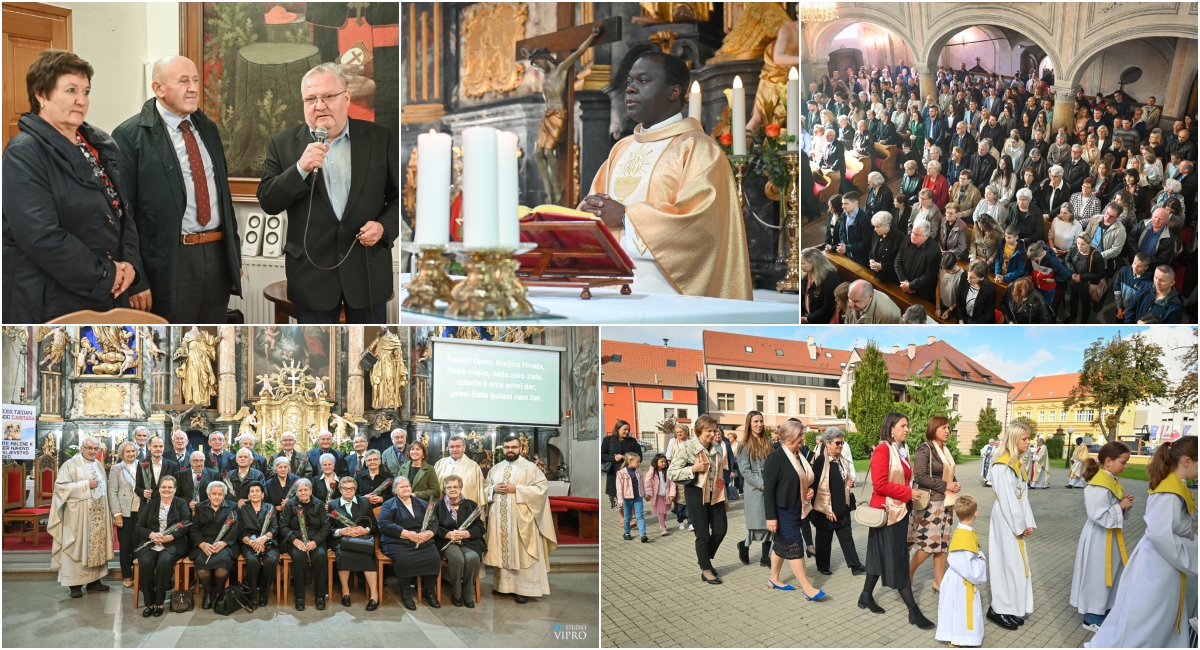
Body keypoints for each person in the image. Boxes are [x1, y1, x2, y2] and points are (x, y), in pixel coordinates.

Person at [578, 51, 752, 299]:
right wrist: (587, 214)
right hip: (606, 286)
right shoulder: (622, 148)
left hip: (663, 291)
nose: (630, 89)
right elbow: (594, 204)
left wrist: (627, 218)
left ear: (674, 92)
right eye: (629, 82)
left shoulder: (698, 148)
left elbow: (702, 227)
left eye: (644, 81)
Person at [3, 49, 141, 322]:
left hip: (107, 292)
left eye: (86, 91)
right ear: (41, 94)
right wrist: (107, 273)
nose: (81, 100)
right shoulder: (24, 151)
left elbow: (121, 211)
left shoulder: (98, 145)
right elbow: (41, 236)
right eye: (70, 90)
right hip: (51, 300)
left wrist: (128, 265)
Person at [257, 63, 397, 323]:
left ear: (346, 97)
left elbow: (402, 199)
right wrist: (300, 168)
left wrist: (384, 228)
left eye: (328, 96)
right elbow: (268, 201)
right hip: (311, 278)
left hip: (367, 272)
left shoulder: (380, 138)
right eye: (311, 99)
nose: (319, 105)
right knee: (316, 358)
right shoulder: (282, 144)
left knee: (369, 354)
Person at [112, 55, 241, 321]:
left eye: (195, 80)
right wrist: (137, 278)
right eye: (183, 81)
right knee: (171, 345)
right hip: (170, 261)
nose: (193, 87)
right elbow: (124, 215)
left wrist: (233, 256)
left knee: (209, 341)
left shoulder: (208, 128)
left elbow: (223, 198)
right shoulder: (130, 135)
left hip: (216, 254)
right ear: (158, 88)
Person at [1087, 436, 1196, 648]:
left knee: (1161, 612)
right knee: (1148, 614)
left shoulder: (1176, 486)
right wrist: (1193, 551)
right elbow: (1160, 533)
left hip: (1164, 559)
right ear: (1187, 461)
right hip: (1160, 561)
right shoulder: (1169, 490)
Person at [859, 412, 935, 629]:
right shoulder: (883, 450)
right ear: (891, 427)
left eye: (907, 426)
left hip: (899, 511)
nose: (907, 429)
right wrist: (908, 493)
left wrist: (910, 494)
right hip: (887, 513)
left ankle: (865, 595)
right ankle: (913, 610)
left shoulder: (902, 450)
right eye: (903, 425)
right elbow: (880, 484)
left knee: (878, 555)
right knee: (899, 560)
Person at [484, 434, 557, 603]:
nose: (510, 450)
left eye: (514, 447)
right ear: (503, 449)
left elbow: (542, 489)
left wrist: (516, 489)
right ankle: (504, 586)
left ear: (520, 448)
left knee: (523, 553)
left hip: (522, 519)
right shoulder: (496, 469)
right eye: (507, 447)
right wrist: (493, 489)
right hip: (500, 519)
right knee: (503, 551)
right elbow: (485, 487)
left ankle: (525, 590)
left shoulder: (530, 468)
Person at [1070, 441, 1134, 633]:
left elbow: (1111, 508)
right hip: (1098, 537)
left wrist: (1123, 504)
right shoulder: (1098, 485)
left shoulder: (1111, 480)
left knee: (1111, 574)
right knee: (1097, 575)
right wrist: (1120, 507)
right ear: (1108, 461)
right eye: (1123, 462)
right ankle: (1091, 618)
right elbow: (1097, 514)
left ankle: (1104, 610)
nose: (1125, 466)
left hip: (1109, 535)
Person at [760, 419, 825, 598]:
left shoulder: (800, 454)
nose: (803, 438)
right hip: (782, 510)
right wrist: (770, 517)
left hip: (797, 508)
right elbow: (769, 489)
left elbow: (804, 480)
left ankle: (773, 578)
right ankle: (807, 587)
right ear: (788, 437)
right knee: (796, 545)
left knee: (781, 545)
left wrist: (809, 491)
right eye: (800, 435)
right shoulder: (776, 457)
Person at [48, 435, 114, 597]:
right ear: (82, 448)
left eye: (95, 448)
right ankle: (74, 585)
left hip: (98, 516)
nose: (92, 451)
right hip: (78, 516)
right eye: (89, 448)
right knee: (77, 545)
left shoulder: (98, 465)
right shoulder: (70, 465)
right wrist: (85, 485)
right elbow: (60, 489)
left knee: (96, 547)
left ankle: (94, 580)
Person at [667, 414, 727, 585]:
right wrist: (693, 469)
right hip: (695, 494)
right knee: (702, 535)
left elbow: (720, 474)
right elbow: (671, 472)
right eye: (709, 431)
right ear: (699, 431)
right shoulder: (687, 447)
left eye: (714, 430)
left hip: (716, 495)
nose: (712, 434)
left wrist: (726, 500)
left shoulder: (718, 447)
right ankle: (706, 570)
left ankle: (704, 558)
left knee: (721, 529)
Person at [986, 423, 1035, 629]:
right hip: (1005, 521)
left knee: (1015, 565)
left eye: (1028, 438)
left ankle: (1012, 607)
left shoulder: (1016, 463)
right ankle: (999, 609)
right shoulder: (1001, 466)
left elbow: (1022, 496)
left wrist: (1028, 523)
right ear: (1014, 440)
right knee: (1004, 564)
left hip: (1015, 521)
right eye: (1024, 439)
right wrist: (1019, 525)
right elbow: (1007, 500)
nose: (1028, 442)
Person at [909, 416, 962, 591]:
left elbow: (947, 472)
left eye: (948, 427)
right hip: (931, 503)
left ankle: (939, 582)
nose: (948, 431)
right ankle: (908, 572)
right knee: (929, 544)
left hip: (946, 502)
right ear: (934, 429)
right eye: (944, 428)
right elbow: (920, 477)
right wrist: (947, 485)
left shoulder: (944, 450)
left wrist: (955, 483)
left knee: (942, 545)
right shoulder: (925, 450)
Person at [935, 495, 996, 644]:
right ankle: (959, 640)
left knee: (955, 607)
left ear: (956, 514)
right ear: (976, 513)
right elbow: (967, 567)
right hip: (962, 580)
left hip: (957, 576)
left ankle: (956, 637)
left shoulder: (963, 531)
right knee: (961, 610)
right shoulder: (964, 536)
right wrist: (981, 561)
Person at [809, 427, 864, 577]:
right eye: (838, 443)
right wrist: (826, 509)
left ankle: (855, 565)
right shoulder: (822, 461)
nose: (841, 446)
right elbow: (818, 487)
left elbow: (841, 478)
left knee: (847, 537)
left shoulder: (840, 459)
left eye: (842, 443)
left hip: (841, 507)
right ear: (828, 443)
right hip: (826, 508)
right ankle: (822, 565)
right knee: (824, 540)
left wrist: (848, 483)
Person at [134, 475, 189, 617]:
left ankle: (159, 601)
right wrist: (152, 534)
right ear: (159, 489)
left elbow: (187, 524)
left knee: (164, 562)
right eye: (164, 487)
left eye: (170, 487)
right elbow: (139, 527)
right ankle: (148, 602)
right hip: (151, 543)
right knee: (145, 562)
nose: (166, 490)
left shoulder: (181, 503)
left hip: (174, 543)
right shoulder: (151, 504)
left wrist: (171, 536)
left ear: (175, 489)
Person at [328, 476, 381, 611]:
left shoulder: (364, 502)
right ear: (340, 490)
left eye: (351, 488)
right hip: (342, 540)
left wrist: (365, 530)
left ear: (355, 489)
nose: (348, 491)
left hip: (362, 540)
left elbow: (374, 526)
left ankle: (374, 595)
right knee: (342, 553)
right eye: (345, 488)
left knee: (366, 556)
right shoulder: (333, 505)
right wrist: (341, 531)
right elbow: (329, 529)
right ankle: (346, 592)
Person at [434, 474, 486, 608]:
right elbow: (433, 527)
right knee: (457, 559)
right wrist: (448, 534)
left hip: (467, 541)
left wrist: (467, 533)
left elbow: (480, 527)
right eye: (449, 487)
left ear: (461, 487)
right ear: (444, 489)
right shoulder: (438, 506)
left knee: (473, 558)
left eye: (455, 487)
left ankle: (467, 594)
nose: (452, 490)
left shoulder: (470, 505)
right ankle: (456, 594)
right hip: (447, 542)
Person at [280, 478, 331, 611]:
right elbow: (283, 526)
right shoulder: (290, 505)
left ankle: (320, 595)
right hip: (296, 540)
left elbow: (326, 526)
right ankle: (300, 596)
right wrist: (294, 540)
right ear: (296, 492)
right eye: (300, 490)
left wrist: (315, 541)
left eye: (305, 490)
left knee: (320, 557)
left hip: (316, 540)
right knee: (299, 557)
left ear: (310, 491)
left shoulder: (319, 505)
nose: (303, 493)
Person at [188, 482, 238, 609]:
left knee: (221, 566)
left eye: (220, 494)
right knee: (202, 565)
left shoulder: (233, 506)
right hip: (205, 543)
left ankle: (217, 592)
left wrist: (224, 542)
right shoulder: (200, 506)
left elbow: (236, 528)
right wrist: (202, 544)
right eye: (214, 494)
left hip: (224, 544)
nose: (217, 497)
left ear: (224, 496)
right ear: (209, 495)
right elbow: (194, 529)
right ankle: (208, 593)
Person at [735, 411, 773, 566]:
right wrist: (761, 484)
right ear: (749, 423)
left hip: (769, 485)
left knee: (770, 523)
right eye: (755, 421)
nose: (759, 424)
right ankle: (744, 545)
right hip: (754, 489)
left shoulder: (768, 442)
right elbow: (744, 471)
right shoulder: (743, 444)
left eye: (761, 421)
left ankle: (765, 557)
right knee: (756, 524)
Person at [237, 481, 279, 608]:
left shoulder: (270, 508)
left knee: (270, 562)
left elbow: (274, 528)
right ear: (248, 495)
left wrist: (263, 539)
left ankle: (264, 594)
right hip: (249, 542)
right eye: (252, 492)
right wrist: (252, 542)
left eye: (257, 491)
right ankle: (252, 595)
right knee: (253, 562)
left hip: (268, 542)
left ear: (262, 495)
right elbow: (240, 531)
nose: (255, 494)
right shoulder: (242, 509)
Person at [108, 441, 142, 589]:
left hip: (141, 511)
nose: (131, 454)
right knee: (126, 546)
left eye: (133, 451)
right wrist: (117, 514)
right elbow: (112, 492)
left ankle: (139, 575)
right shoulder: (116, 469)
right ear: (122, 453)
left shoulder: (142, 465)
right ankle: (127, 576)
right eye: (128, 451)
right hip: (125, 512)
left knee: (139, 545)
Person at [434, 435, 486, 512]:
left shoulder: (474, 467)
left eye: (458, 446)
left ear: (464, 448)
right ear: (448, 448)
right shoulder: (440, 464)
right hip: (443, 511)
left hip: (467, 510)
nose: (454, 449)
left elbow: (481, 490)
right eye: (452, 447)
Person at [895, 221, 940, 303]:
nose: (913, 236)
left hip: (921, 292)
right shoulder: (906, 239)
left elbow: (929, 276)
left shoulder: (934, 252)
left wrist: (911, 286)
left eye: (917, 235)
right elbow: (898, 261)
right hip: (904, 285)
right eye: (912, 232)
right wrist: (904, 281)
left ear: (927, 236)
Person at [602, 420, 641, 510]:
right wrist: (613, 458)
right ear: (618, 429)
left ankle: (630, 513)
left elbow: (639, 456)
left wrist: (625, 457)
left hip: (629, 473)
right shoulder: (608, 440)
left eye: (628, 430)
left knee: (630, 492)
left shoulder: (632, 441)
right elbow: (602, 454)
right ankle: (622, 518)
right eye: (624, 429)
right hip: (613, 472)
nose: (627, 432)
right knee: (615, 494)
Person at [800, 248, 840, 324]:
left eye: (802, 263)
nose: (800, 266)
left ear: (813, 263)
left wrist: (807, 319)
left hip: (820, 321)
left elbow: (828, 308)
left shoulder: (831, 278)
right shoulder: (805, 275)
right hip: (806, 316)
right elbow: (802, 297)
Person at [616, 453, 648, 542]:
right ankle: (626, 533)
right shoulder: (621, 473)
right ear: (630, 461)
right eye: (637, 461)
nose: (639, 463)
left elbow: (642, 485)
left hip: (638, 497)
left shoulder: (639, 472)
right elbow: (619, 488)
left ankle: (643, 535)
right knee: (627, 517)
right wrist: (620, 499)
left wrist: (645, 496)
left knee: (640, 516)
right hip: (627, 498)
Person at [868, 212, 903, 286]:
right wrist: (871, 260)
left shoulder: (899, 238)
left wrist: (883, 266)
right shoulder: (876, 233)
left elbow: (900, 261)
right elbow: (872, 249)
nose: (875, 229)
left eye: (877, 226)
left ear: (887, 225)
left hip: (890, 279)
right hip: (876, 275)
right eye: (874, 226)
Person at [644, 454, 674, 538]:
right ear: (656, 462)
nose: (664, 463)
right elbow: (648, 484)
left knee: (664, 511)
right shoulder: (652, 472)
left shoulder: (668, 471)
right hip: (657, 496)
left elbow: (672, 483)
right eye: (662, 462)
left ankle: (663, 524)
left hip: (666, 494)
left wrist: (672, 494)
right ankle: (662, 527)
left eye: (665, 462)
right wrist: (649, 494)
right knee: (660, 511)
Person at [935, 252, 965, 321]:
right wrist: (937, 307)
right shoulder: (942, 269)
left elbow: (961, 298)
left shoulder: (962, 275)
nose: (945, 272)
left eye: (947, 270)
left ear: (955, 264)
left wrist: (949, 310)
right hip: (941, 302)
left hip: (953, 307)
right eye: (943, 269)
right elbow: (938, 287)